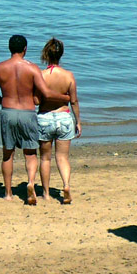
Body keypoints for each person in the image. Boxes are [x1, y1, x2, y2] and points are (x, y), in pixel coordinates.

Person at [0, 34, 69, 204]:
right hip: (27, 112)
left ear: (9, 48)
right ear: (25, 49)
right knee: (30, 154)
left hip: (8, 112)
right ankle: (31, 183)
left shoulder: (0, 67)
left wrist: (3, 102)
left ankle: (8, 194)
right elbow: (45, 93)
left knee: (7, 155)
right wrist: (65, 98)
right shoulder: (32, 68)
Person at [36, 38, 81, 204]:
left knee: (45, 158)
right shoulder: (68, 76)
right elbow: (74, 101)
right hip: (64, 116)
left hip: (45, 117)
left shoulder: (40, 75)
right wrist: (78, 121)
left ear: (46, 54)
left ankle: (46, 193)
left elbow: (36, 100)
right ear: (61, 54)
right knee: (63, 157)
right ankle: (66, 185)